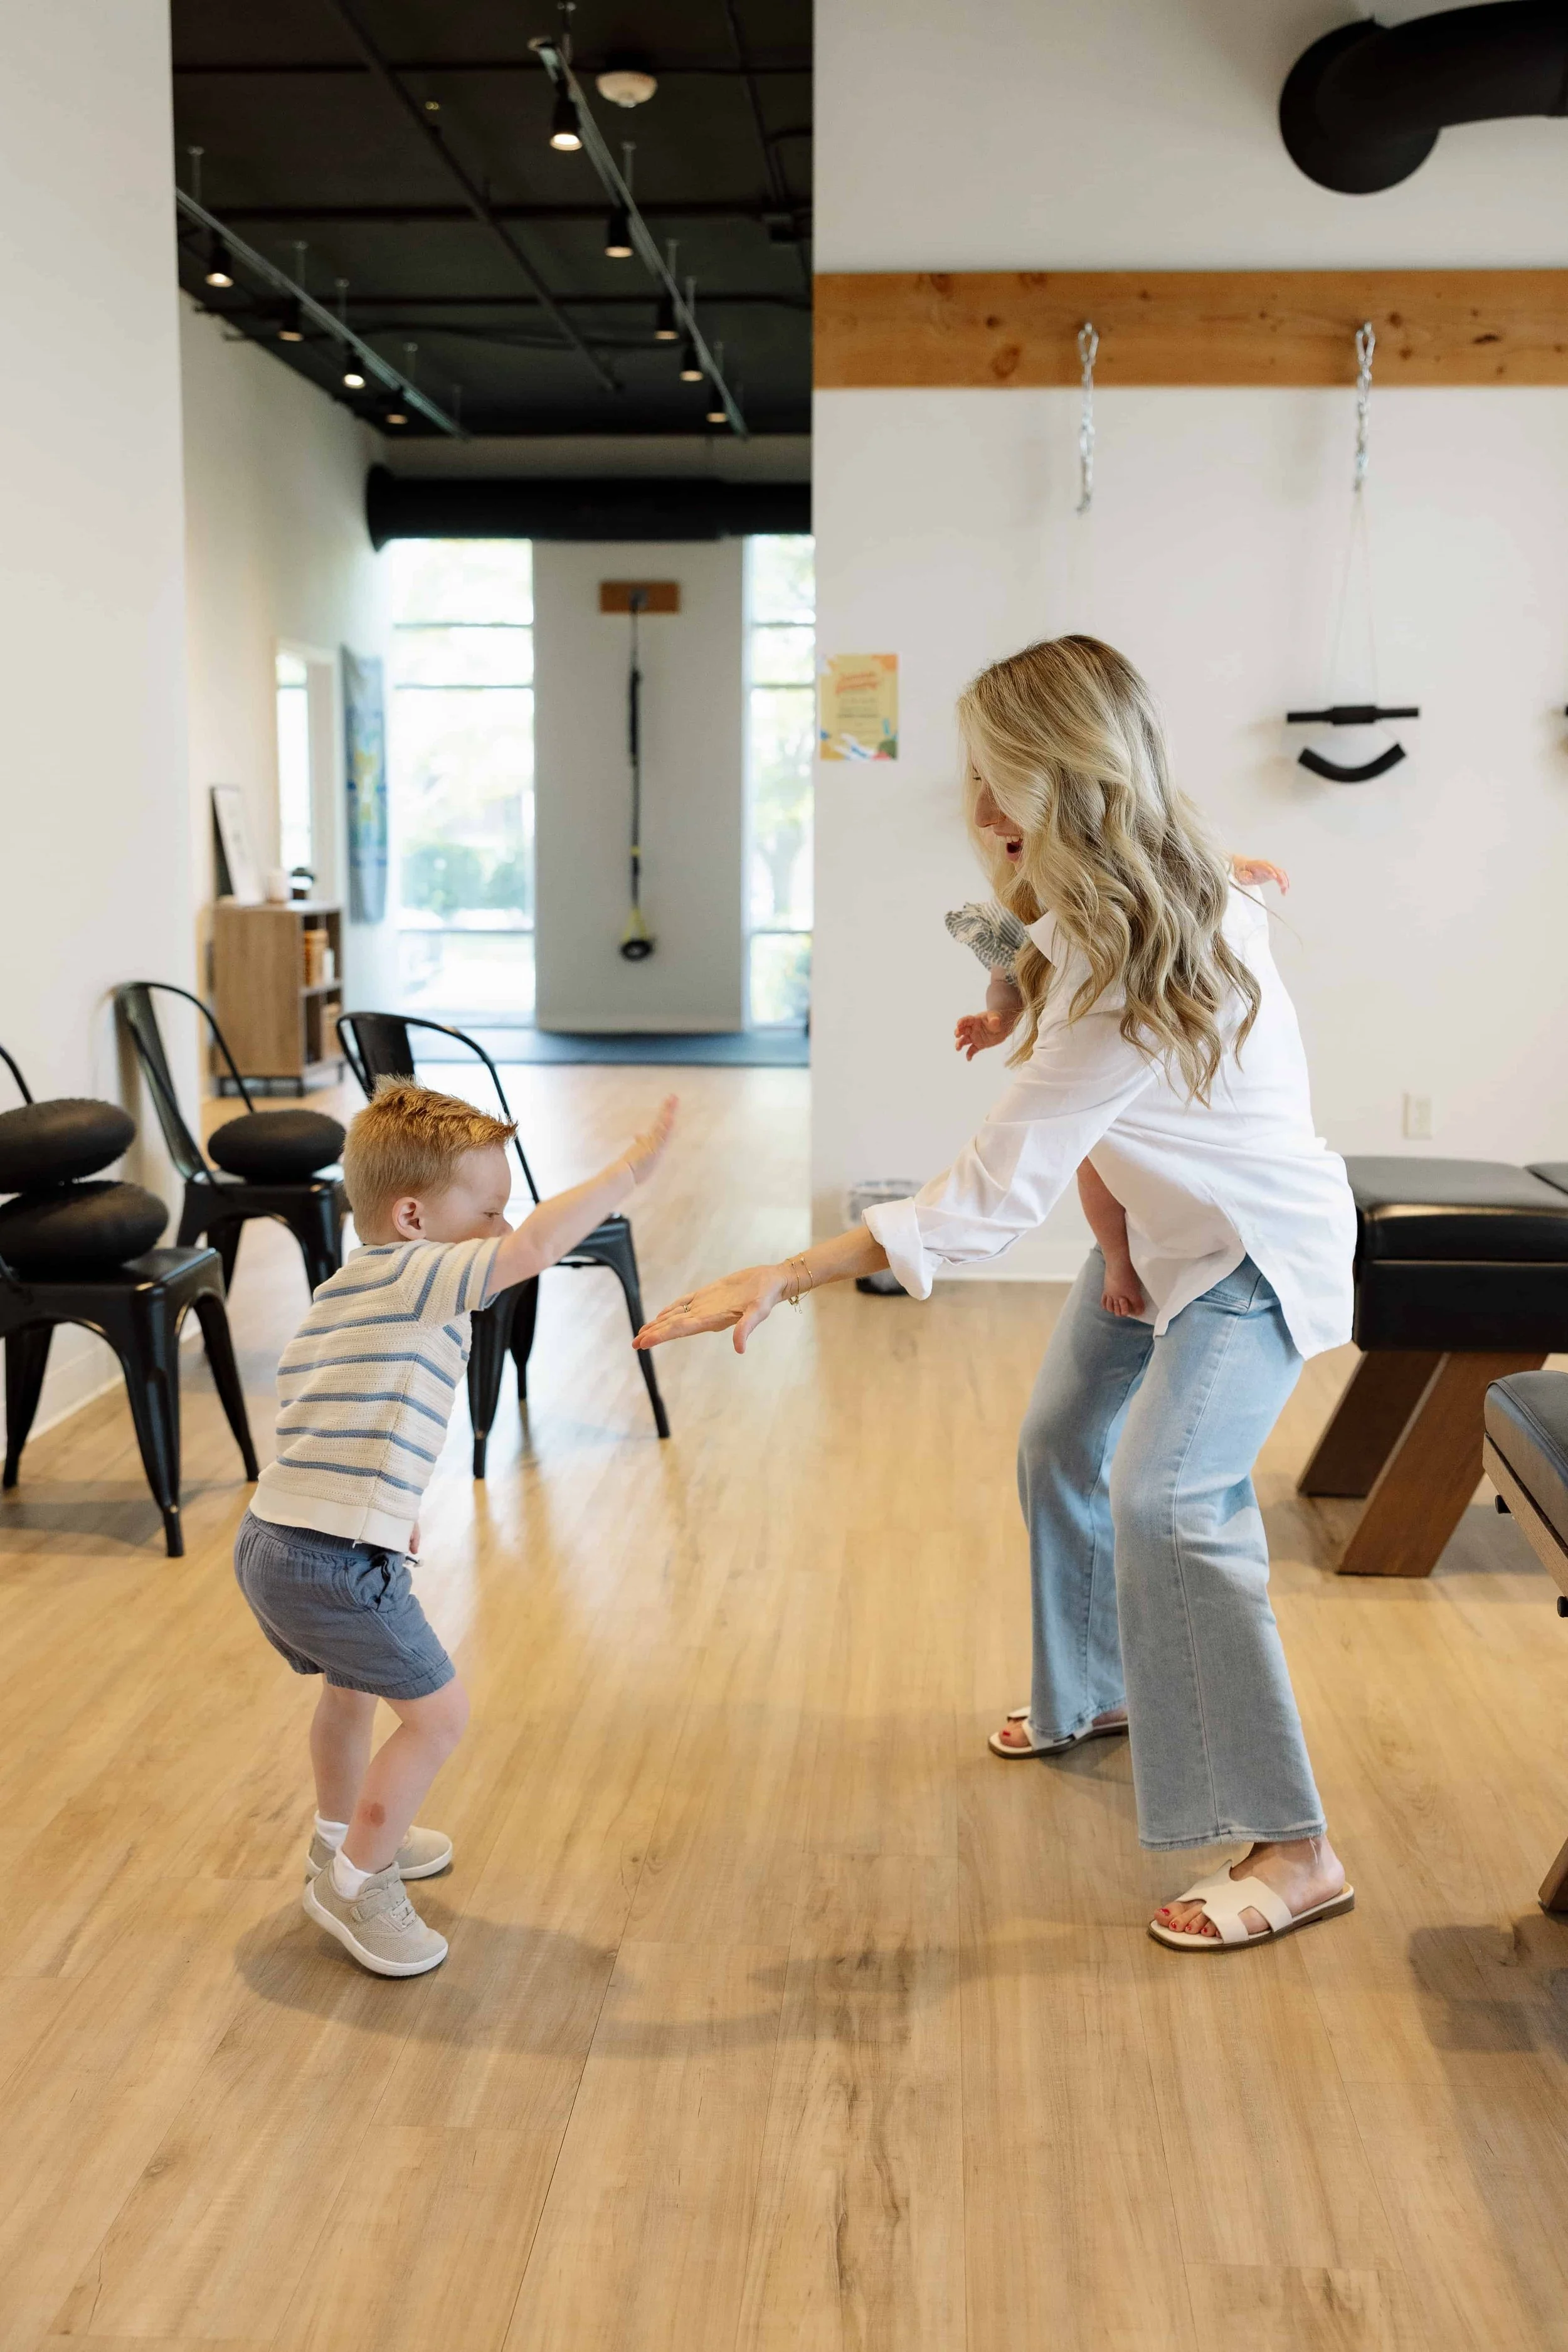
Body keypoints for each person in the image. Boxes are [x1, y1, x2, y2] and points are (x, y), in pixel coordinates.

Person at [637, 634, 1358, 1953]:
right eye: (974, 779)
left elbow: (983, 1196)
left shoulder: (1134, 971)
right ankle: (1095, 1691)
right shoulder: (1120, 908)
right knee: (1058, 1446)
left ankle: (1296, 1846)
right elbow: (1060, 961)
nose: (979, 812)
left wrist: (785, 1273)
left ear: (1075, 777)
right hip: (1153, 1230)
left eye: (1000, 781)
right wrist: (1011, 990)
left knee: (1169, 1500)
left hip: (1249, 1252)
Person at [235, 1079, 676, 1977]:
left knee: (350, 1693)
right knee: (438, 1718)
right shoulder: (420, 1271)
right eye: (486, 1212)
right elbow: (538, 1247)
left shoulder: (347, 1286)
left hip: (275, 1540)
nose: (500, 1229)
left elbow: (318, 1407)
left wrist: (383, 1509)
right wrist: (631, 1169)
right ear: (413, 1218)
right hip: (332, 1563)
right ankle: (355, 1884)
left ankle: (341, 1838)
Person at [951, 857, 1292, 1320]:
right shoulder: (1016, 910)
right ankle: (1117, 1260)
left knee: (1167, 1142)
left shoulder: (1122, 874)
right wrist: (998, 1019)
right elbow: (1007, 984)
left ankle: (1201, 1236)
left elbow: (1179, 858)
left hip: (1145, 1041)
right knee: (1094, 1163)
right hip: (1081, 1054)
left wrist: (1234, 868)